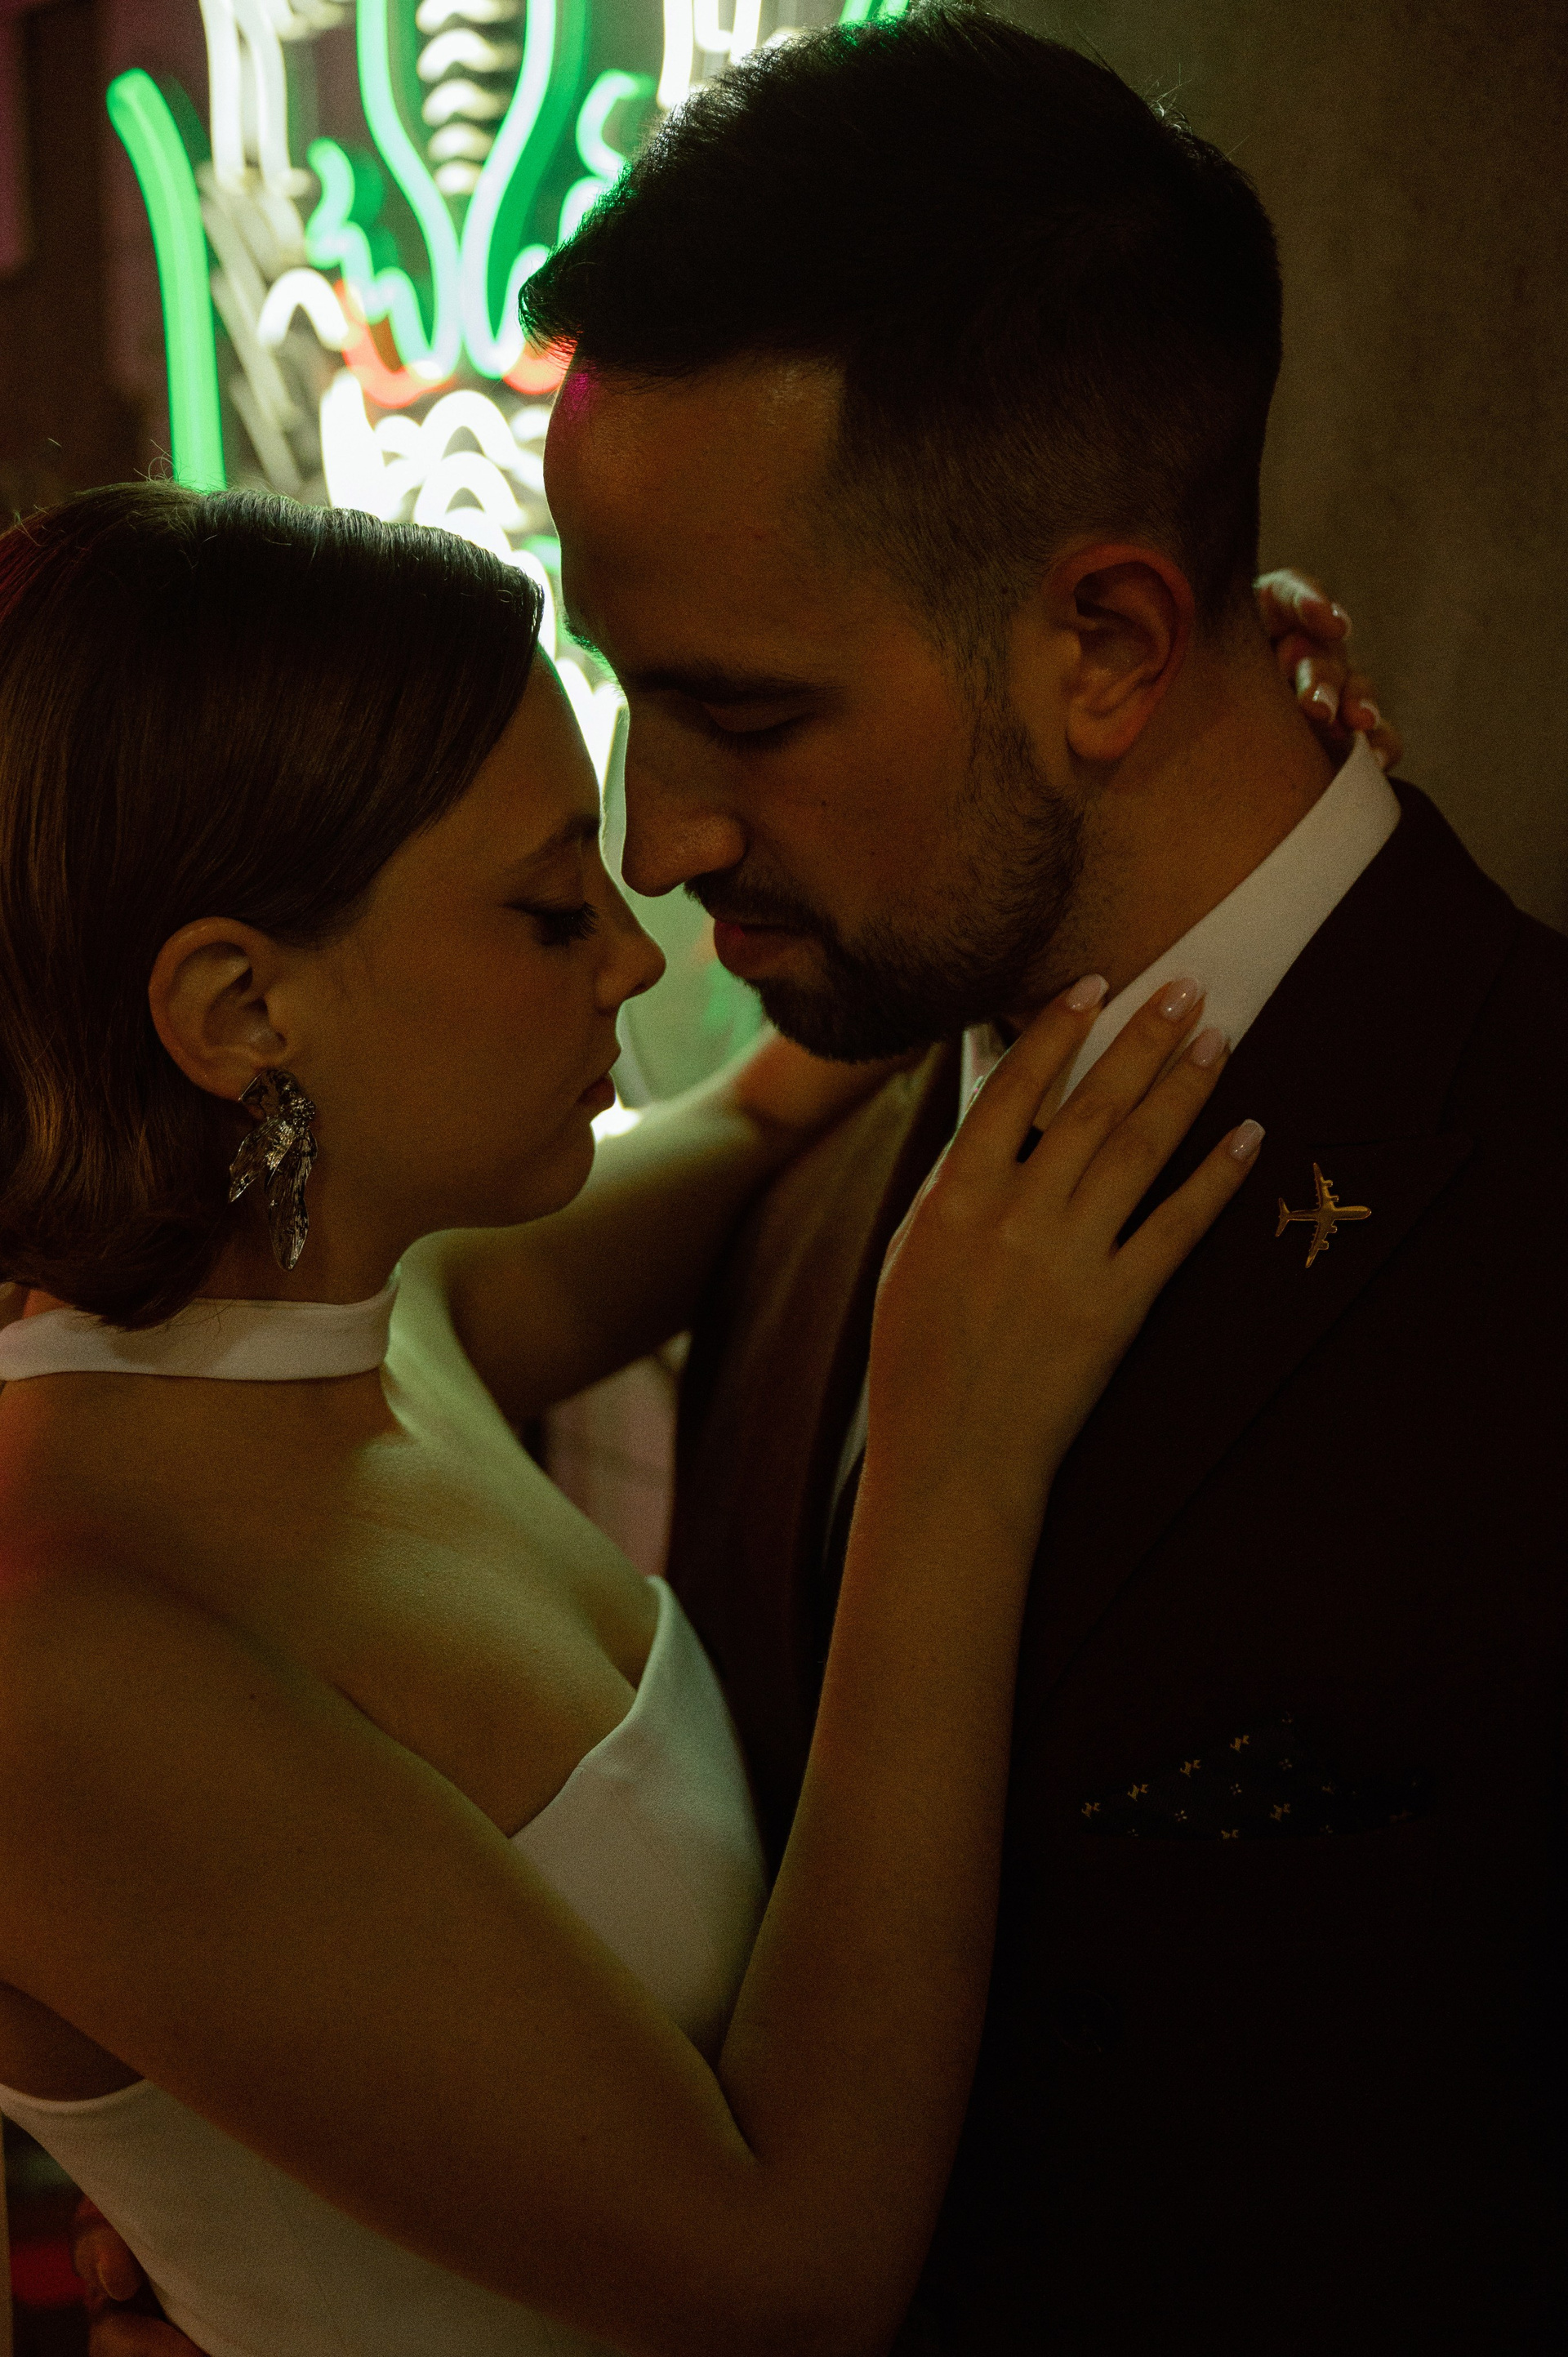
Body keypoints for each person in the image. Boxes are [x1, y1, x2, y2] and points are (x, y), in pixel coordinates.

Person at [517, 10, 1559, 2353]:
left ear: (1108, 643)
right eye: (627, 691)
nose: (658, 840)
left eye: (747, 712)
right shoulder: (812, 1178)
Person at [0, 479, 1270, 2357]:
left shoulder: (391, 1328)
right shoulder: (62, 1665)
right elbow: (791, 2271)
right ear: (240, 1008)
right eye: (546, 909)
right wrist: (949, 1467)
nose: (633, 952)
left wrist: (1192, 761)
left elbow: (763, 1113)